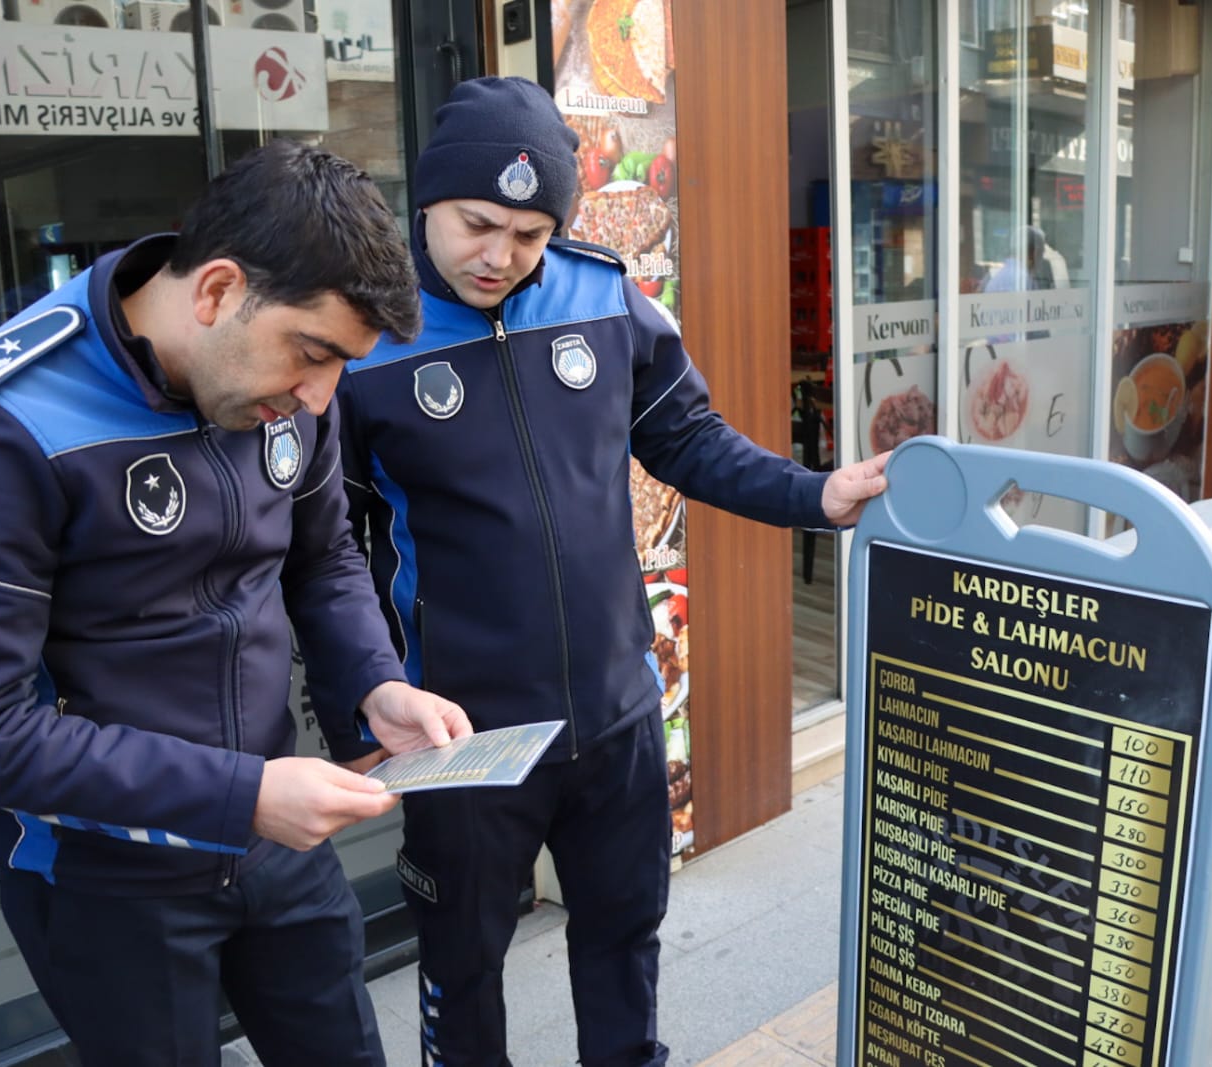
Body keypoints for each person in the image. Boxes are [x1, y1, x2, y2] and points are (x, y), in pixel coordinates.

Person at [334, 76, 891, 1066]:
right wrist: (364, 699)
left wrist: (818, 495)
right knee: (462, 966)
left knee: (623, 940)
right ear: (425, 203)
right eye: (477, 224)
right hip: (462, 735)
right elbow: (323, 551)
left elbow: (689, 441)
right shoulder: (362, 342)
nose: (500, 256)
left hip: (618, 712)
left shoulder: (604, 296)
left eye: (530, 231)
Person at [0, 141, 471, 1067]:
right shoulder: (6, 416)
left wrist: (374, 684)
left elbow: (322, 557)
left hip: (274, 837)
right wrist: (241, 795)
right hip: (102, 874)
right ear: (214, 292)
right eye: (314, 353)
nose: (323, 397)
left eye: (344, 365)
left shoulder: (289, 395)